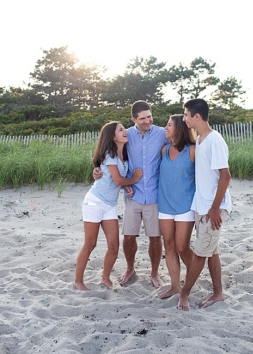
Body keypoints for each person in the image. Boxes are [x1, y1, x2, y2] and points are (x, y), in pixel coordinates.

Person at [74, 121, 143, 291]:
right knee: (90, 244)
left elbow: (116, 181)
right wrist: (133, 180)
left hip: (110, 205)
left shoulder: (123, 155)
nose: (125, 131)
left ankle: (105, 277)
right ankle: (78, 281)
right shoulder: (110, 154)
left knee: (114, 245)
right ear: (113, 136)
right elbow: (118, 179)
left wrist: (126, 186)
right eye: (121, 130)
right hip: (95, 202)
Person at [177, 98, 232, 311]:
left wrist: (215, 208)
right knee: (212, 251)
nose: (184, 119)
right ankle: (218, 292)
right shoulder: (200, 140)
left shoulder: (215, 140)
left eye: (186, 115)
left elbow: (225, 176)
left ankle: (184, 294)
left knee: (200, 253)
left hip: (213, 208)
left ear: (196, 117)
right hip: (201, 206)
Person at [117, 101, 169, 287]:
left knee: (155, 237)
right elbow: (112, 155)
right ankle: (130, 268)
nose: (147, 121)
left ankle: (154, 273)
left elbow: (180, 148)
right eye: (142, 118)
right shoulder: (127, 135)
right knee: (129, 236)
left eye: (149, 116)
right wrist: (97, 169)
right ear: (133, 119)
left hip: (155, 195)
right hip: (133, 194)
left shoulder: (163, 133)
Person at [155, 114, 197, 299]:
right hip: (164, 206)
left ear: (179, 128)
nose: (166, 128)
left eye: (169, 125)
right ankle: (174, 286)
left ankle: (194, 273)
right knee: (169, 246)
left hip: (185, 206)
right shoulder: (164, 150)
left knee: (182, 247)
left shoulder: (193, 151)